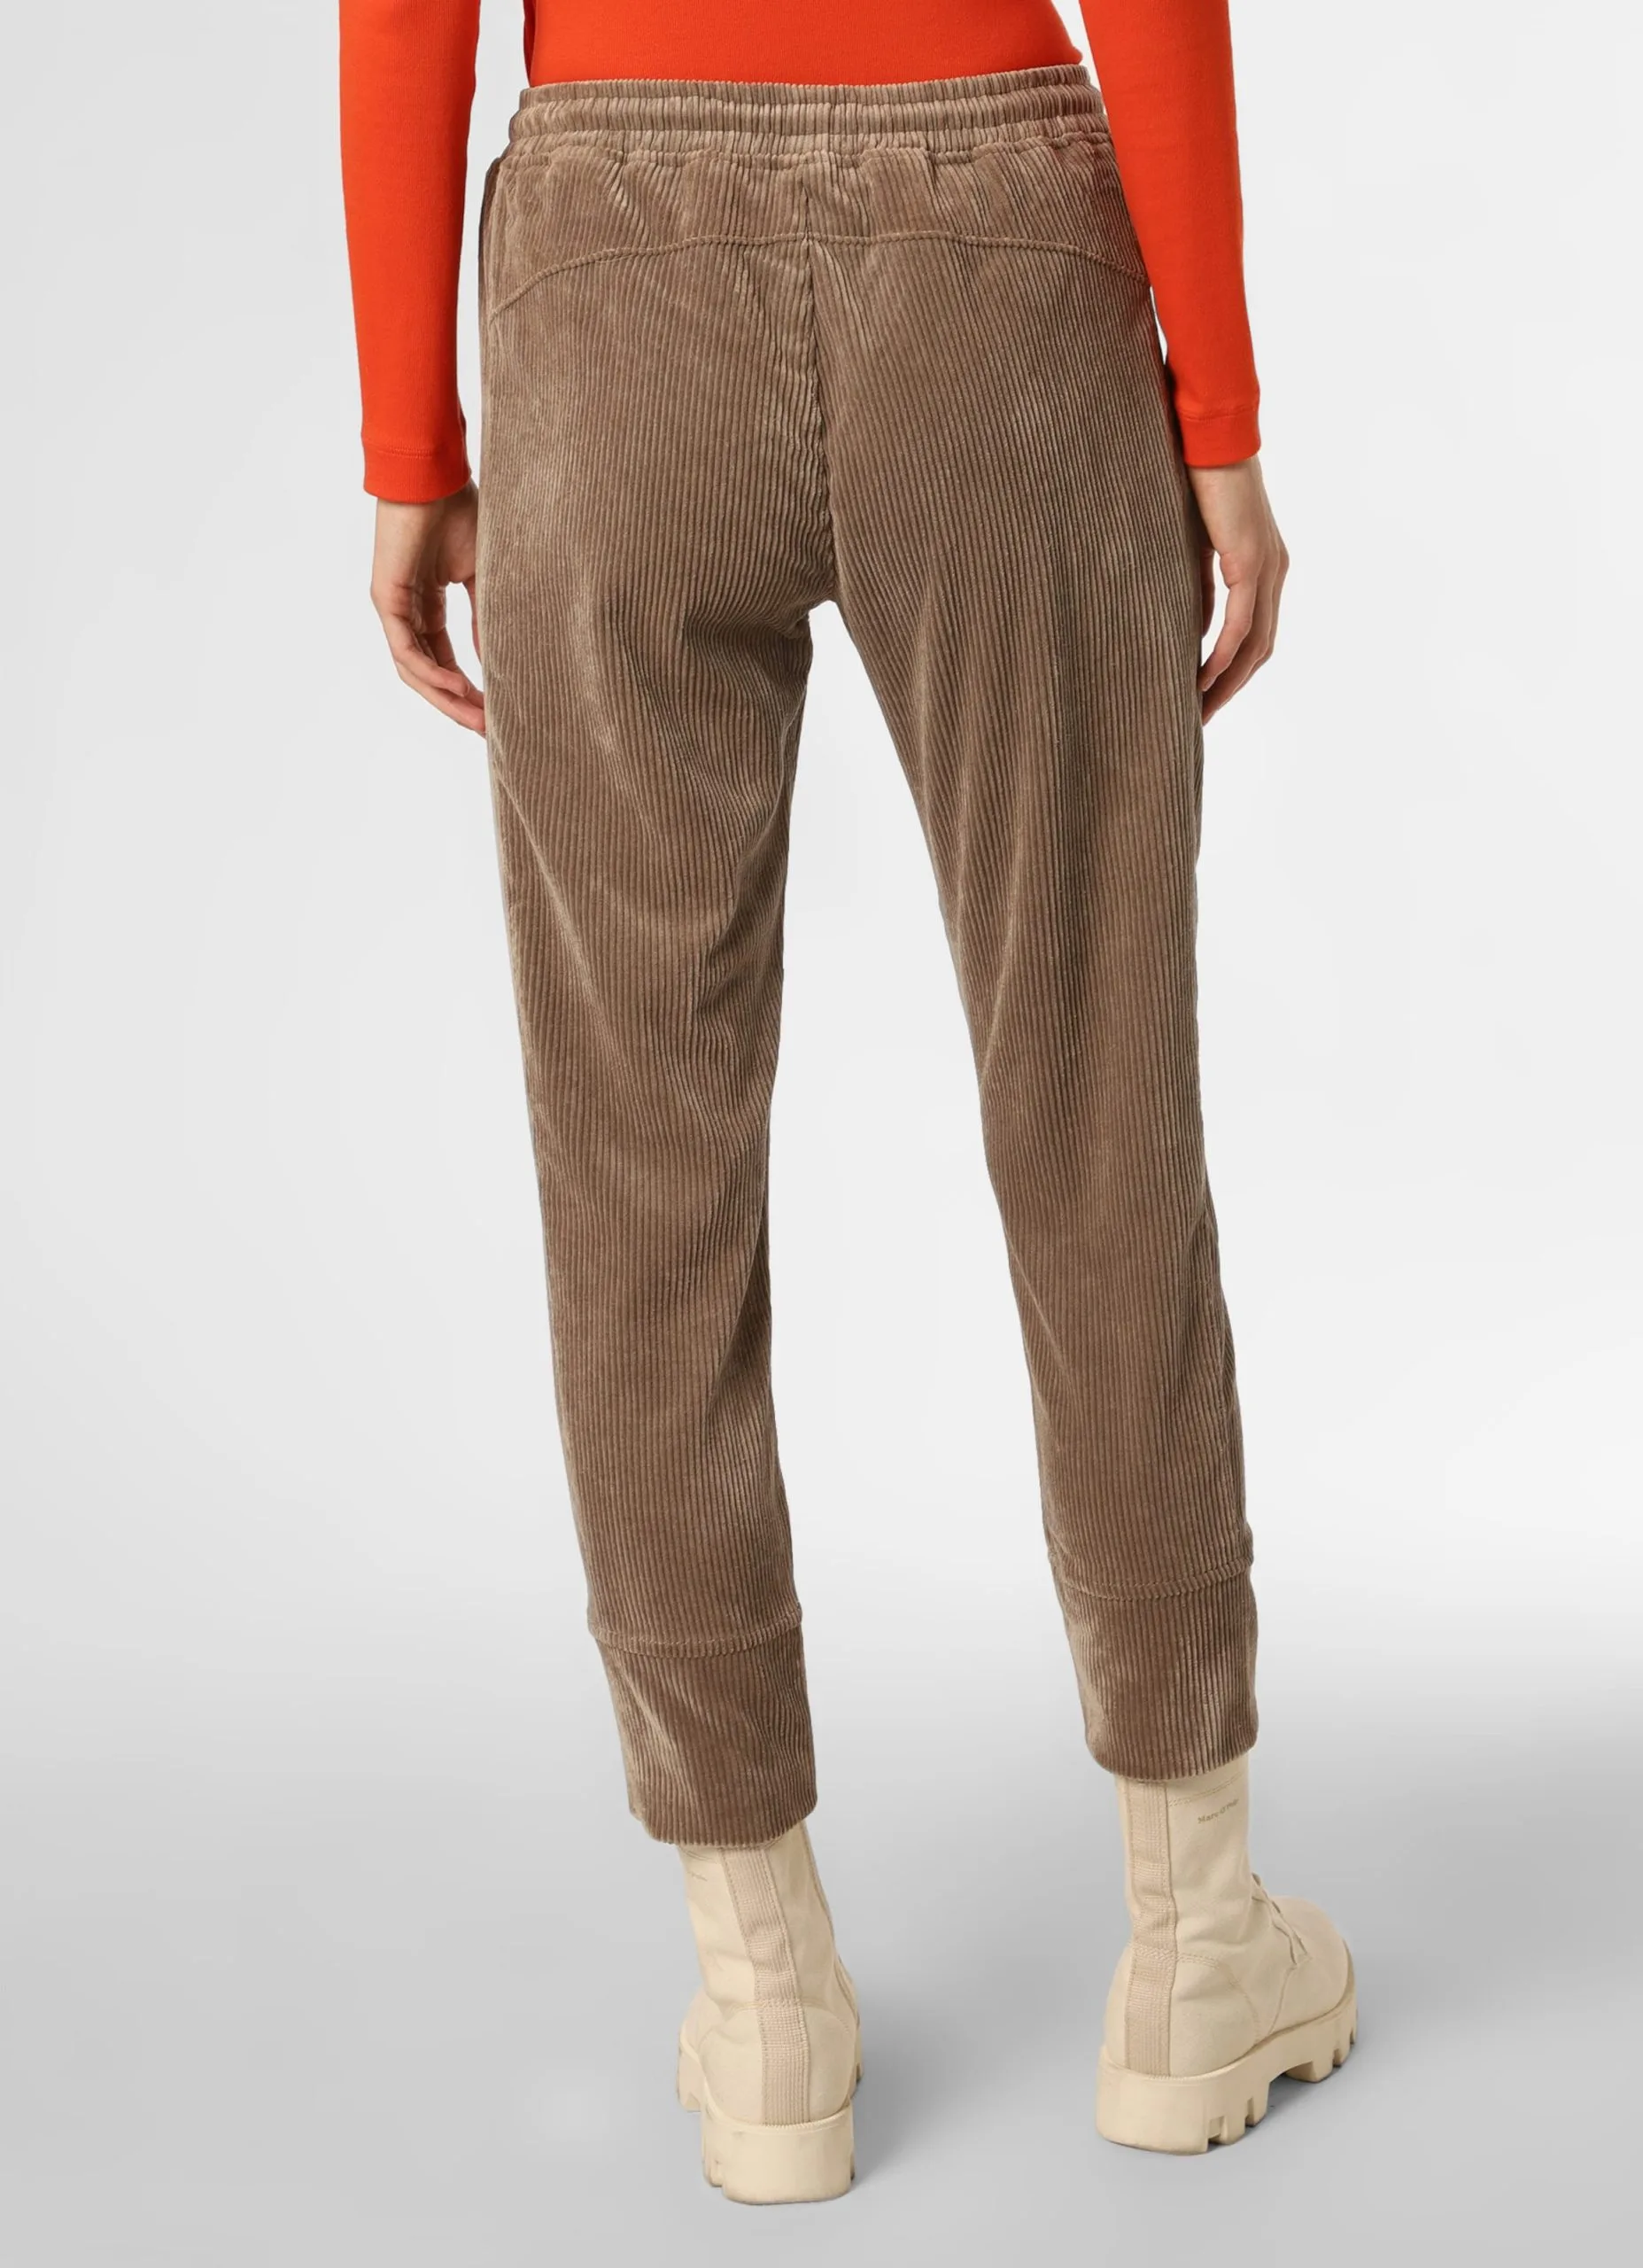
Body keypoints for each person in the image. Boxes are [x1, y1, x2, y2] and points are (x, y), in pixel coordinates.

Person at [338, 0, 1356, 2198]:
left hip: (613, 274)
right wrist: (1216, 404)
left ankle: (762, 1991)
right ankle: (1198, 1944)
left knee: (639, 1160)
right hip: (997, 255)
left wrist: (410, 436)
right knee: (1095, 1098)